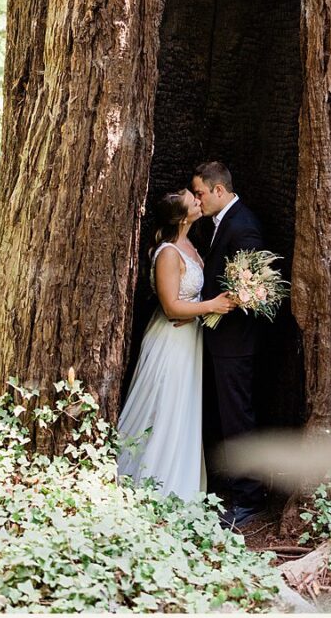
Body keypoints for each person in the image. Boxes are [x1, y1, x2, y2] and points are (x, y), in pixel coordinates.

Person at [115, 189, 235, 499]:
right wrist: (211, 306)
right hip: (170, 340)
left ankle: (179, 482)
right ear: (182, 218)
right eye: (192, 199)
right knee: (165, 406)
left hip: (189, 338)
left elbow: (188, 298)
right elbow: (171, 307)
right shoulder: (168, 252)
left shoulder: (190, 244)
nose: (198, 199)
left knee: (183, 408)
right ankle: (154, 484)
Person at [191, 160, 269, 528]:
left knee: (239, 418)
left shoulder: (243, 225)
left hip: (236, 342)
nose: (198, 200)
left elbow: (254, 286)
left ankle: (249, 499)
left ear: (219, 190)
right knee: (228, 415)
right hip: (221, 339)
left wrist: (224, 303)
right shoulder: (223, 221)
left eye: (201, 193)